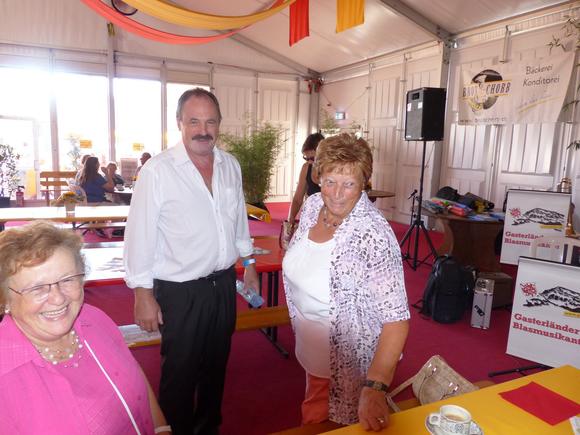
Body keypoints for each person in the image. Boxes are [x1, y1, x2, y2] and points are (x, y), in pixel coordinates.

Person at [124, 88, 259, 435]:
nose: (203, 130)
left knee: (216, 368)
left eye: (210, 122)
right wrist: (142, 294)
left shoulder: (230, 165)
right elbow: (139, 234)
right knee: (180, 374)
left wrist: (249, 264)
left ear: (219, 124)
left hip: (223, 284)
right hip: (180, 292)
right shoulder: (158, 171)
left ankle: (208, 427)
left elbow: (238, 221)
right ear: (179, 123)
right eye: (194, 121)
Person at [282, 133, 410, 431]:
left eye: (349, 183)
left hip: (347, 367)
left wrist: (375, 386)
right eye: (330, 181)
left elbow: (396, 320)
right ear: (318, 177)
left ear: (363, 183)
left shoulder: (373, 235)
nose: (337, 194)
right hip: (313, 353)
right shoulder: (313, 206)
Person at [0, 221, 170, 435]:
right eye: (37, 288)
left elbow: (134, 375)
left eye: (67, 280)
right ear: (5, 299)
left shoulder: (93, 318)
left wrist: (161, 428)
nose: (58, 298)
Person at [287, 132, 325, 225]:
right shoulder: (306, 167)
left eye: (312, 158)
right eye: (306, 158)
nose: (309, 162)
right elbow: (298, 198)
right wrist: (291, 218)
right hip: (310, 215)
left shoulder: (333, 170)